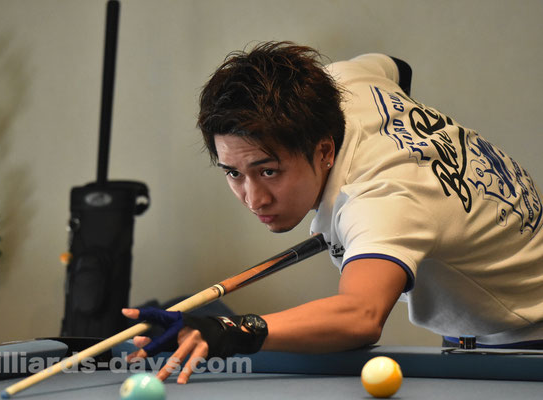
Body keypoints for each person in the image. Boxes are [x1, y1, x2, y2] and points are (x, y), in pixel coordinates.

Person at [122, 41, 543, 383]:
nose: (254, 199)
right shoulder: (345, 81)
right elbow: (394, 68)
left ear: (325, 149)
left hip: (525, 337)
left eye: (269, 171)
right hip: (481, 316)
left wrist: (233, 330)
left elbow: (360, 318)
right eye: (233, 173)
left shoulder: (384, 201)